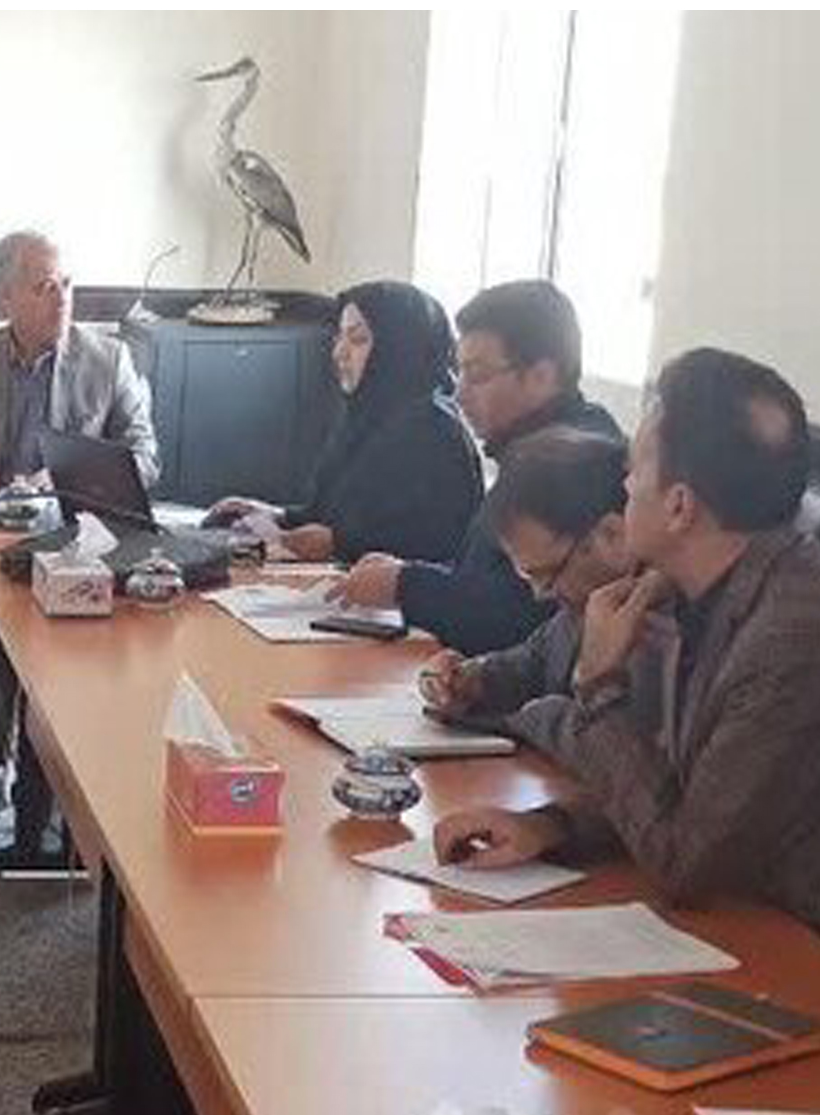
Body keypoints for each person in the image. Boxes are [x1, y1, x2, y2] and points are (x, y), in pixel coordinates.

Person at [433, 348, 817, 925]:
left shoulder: (790, 633)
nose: (625, 483)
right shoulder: (694, 586)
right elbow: (694, 797)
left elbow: (688, 861)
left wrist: (598, 687)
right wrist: (554, 827)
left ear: (679, 506)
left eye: (636, 469)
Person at [0, 229, 159, 851]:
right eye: (44, 287)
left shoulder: (108, 360)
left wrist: (67, 476)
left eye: (67, 284)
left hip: (74, 540)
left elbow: (146, 456)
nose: (62, 298)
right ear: (5, 297)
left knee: (40, 623)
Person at [330, 278, 623, 648]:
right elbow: (482, 575)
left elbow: (516, 618)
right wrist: (406, 573)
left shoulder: (571, 465)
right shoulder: (527, 450)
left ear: (542, 376)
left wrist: (405, 585)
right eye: (461, 370)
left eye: (478, 375)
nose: (460, 393)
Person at [208, 281, 480, 565]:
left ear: (400, 348)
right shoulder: (367, 417)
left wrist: (332, 542)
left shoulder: (434, 431)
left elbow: (429, 543)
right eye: (339, 337)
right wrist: (275, 515)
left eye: (358, 339)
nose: (339, 352)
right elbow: (334, 514)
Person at [414, 427, 632, 727]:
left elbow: (606, 745)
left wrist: (517, 721)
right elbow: (528, 667)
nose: (540, 594)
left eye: (549, 573)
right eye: (528, 574)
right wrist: (465, 679)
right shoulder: (577, 612)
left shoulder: (658, 622)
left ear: (612, 535)